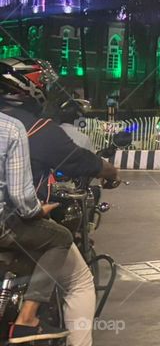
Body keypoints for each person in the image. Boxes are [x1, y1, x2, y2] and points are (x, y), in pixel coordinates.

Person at [1, 63, 120, 346]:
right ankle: (34, 322)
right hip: (11, 223)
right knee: (78, 280)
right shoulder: (34, 128)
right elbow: (82, 161)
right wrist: (111, 173)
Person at [0, 58, 72, 343]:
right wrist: (36, 210)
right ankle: (28, 317)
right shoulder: (12, 128)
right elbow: (21, 197)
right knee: (60, 238)